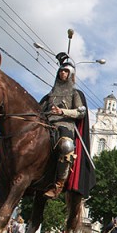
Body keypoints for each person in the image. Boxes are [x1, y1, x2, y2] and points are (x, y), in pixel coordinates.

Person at [40, 53, 92, 199]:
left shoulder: (74, 93)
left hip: (65, 125)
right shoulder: (51, 94)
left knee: (67, 146)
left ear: (70, 75)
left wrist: (62, 111)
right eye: (61, 71)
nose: (62, 73)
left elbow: (81, 112)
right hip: (47, 123)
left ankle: (59, 184)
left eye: (66, 71)